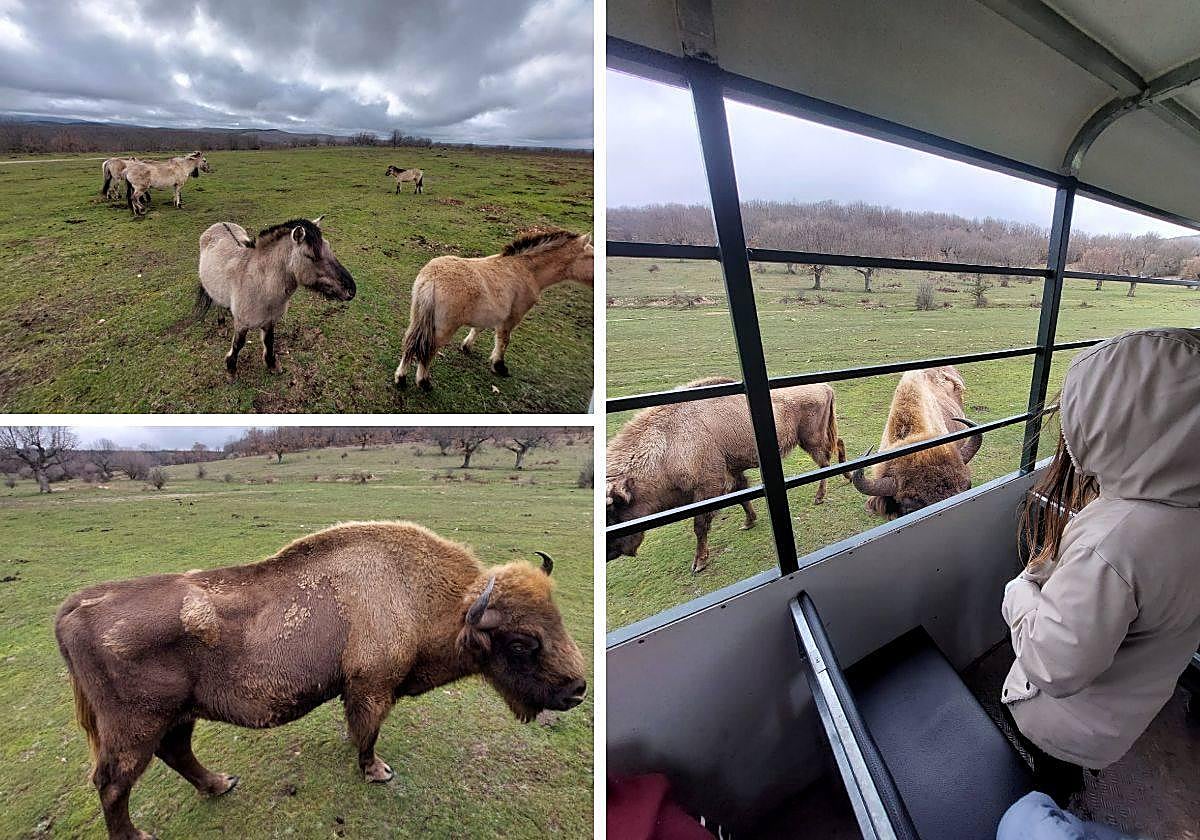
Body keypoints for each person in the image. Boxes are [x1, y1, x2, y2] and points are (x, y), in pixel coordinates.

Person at [1002, 327, 1200, 804]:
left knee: (1038, 779)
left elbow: (1053, 666)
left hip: (1061, 726)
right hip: (1125, 713)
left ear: (1111, 423)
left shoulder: (1116, 540)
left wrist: (1019, 593)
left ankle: (1041, 808)